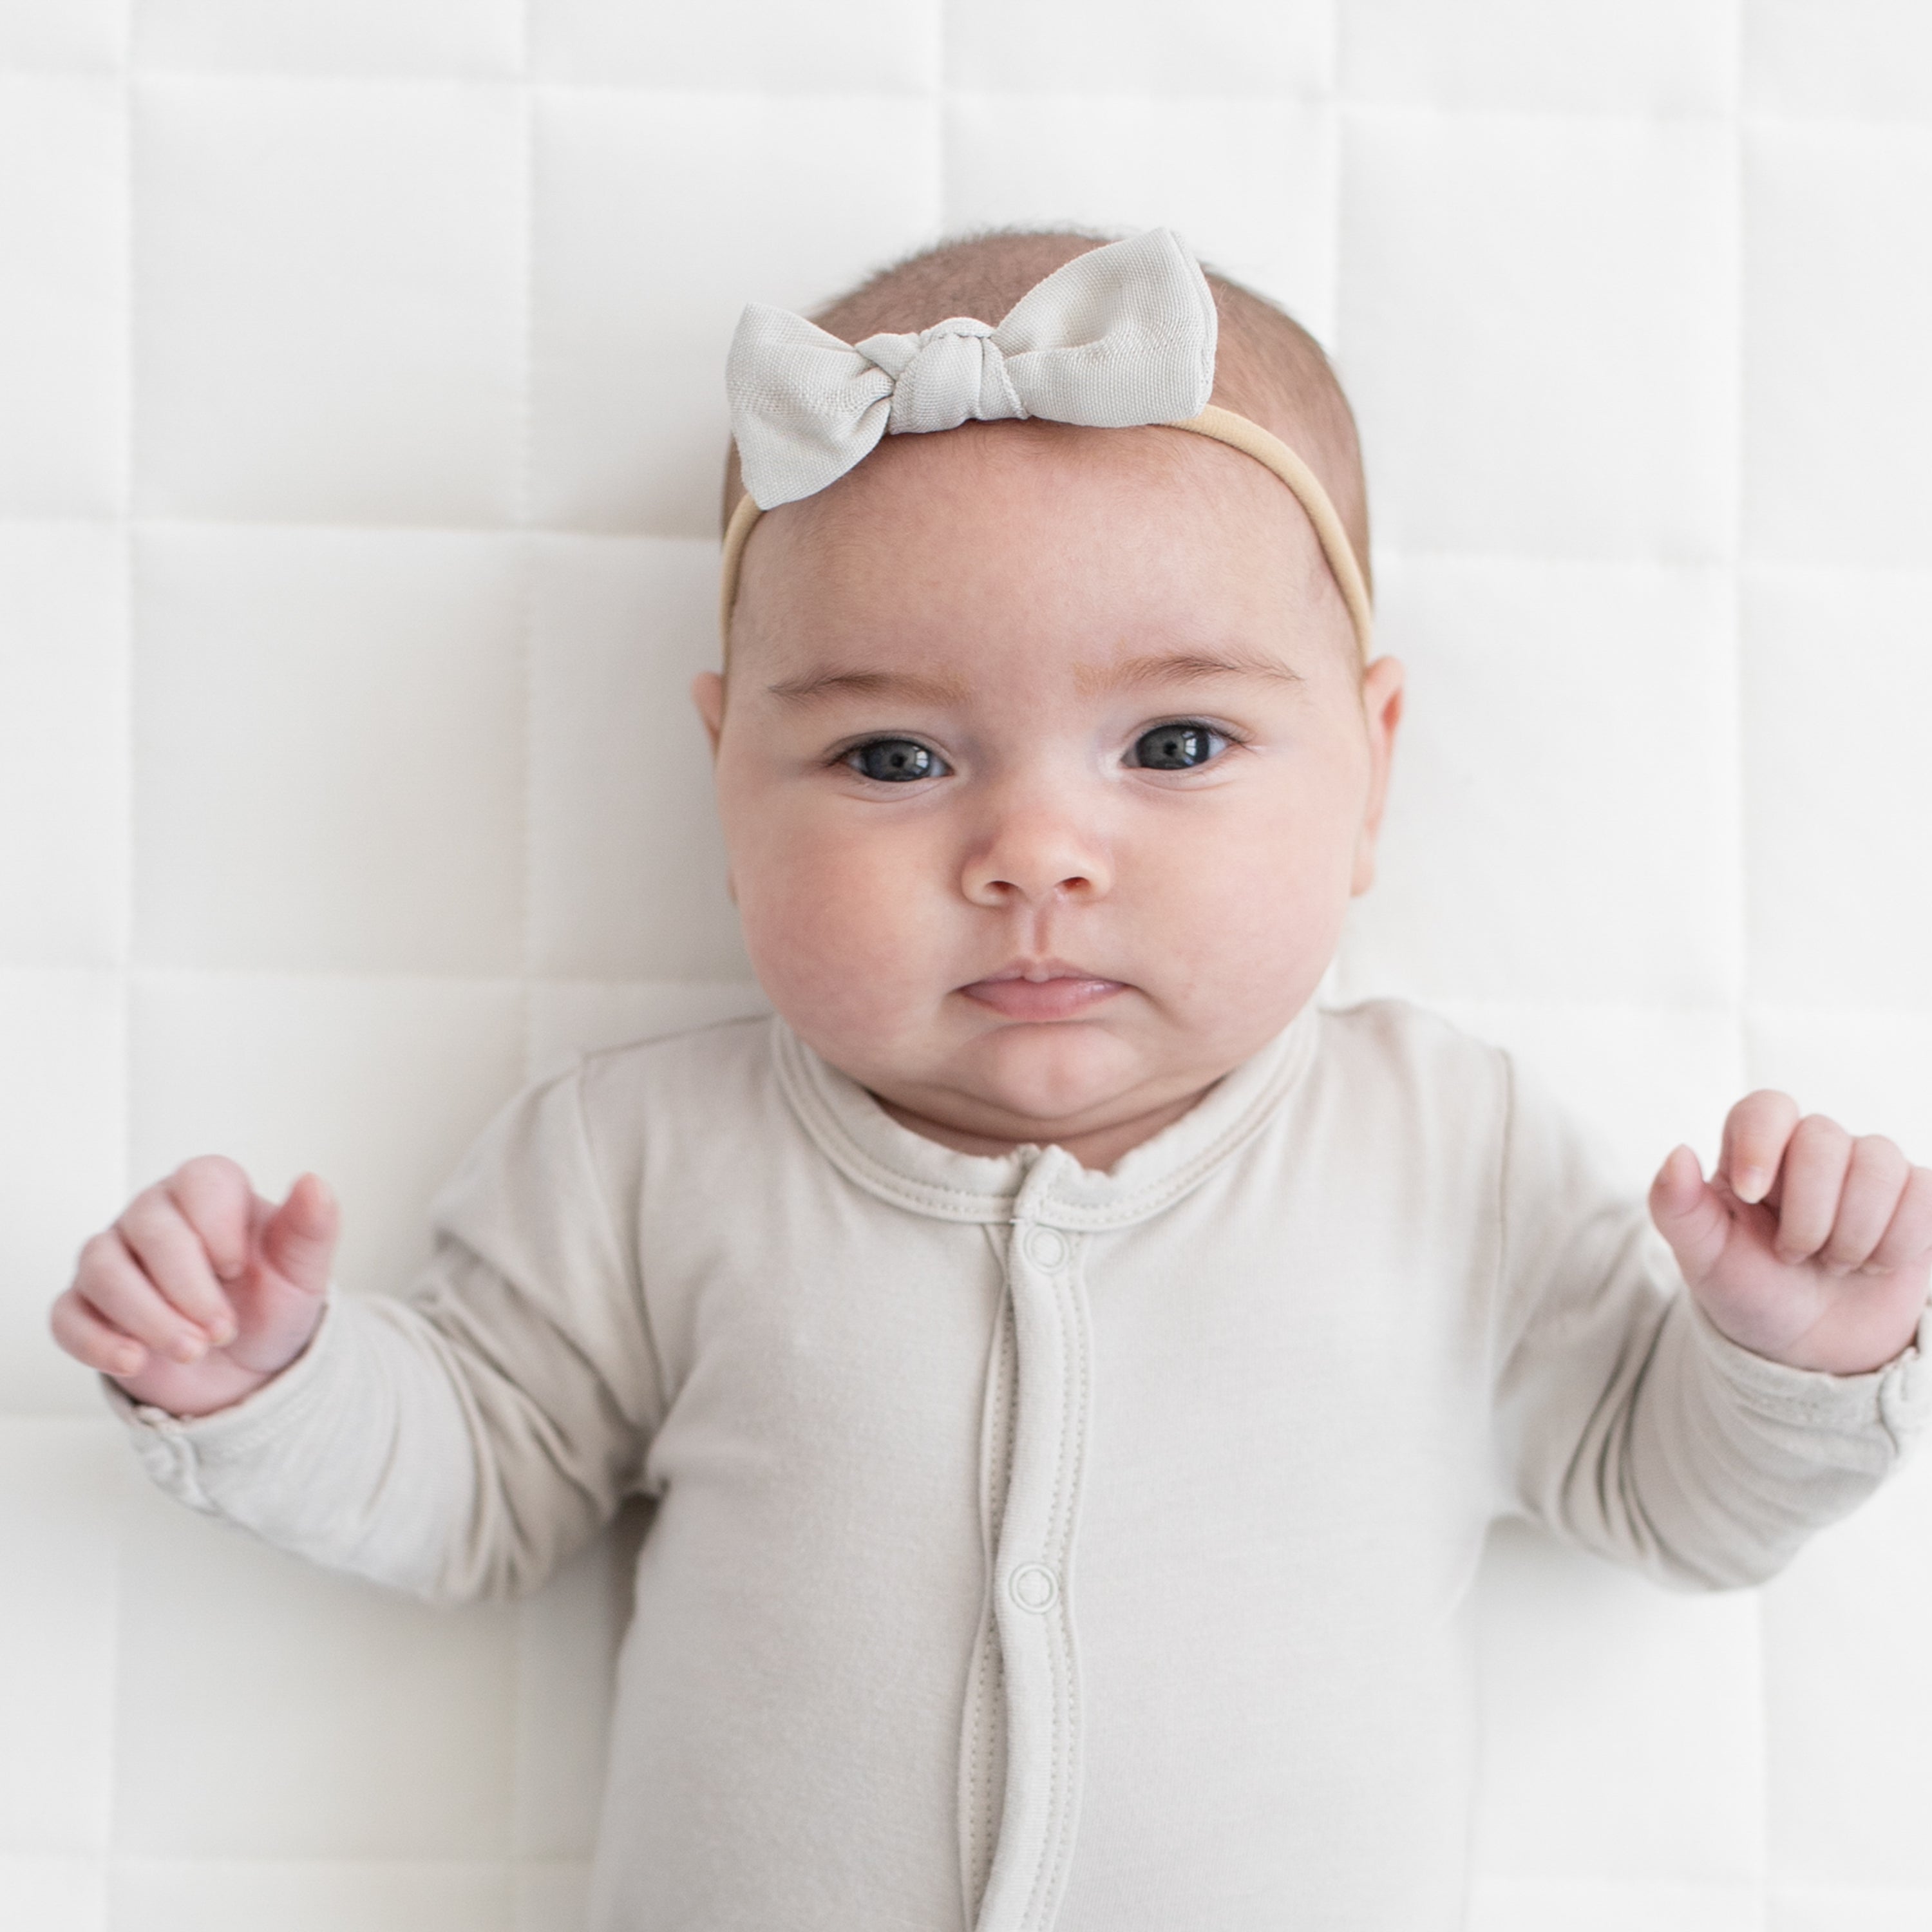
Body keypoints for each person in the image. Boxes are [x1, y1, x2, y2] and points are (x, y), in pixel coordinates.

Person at [48, 228, 1932, 1931]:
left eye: (1176, 741)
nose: (1036, 850)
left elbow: (1665, 1495)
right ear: (727, 780)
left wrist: (1783, 1357)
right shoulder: (647, 1156)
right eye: (890, 760)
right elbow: (485, 1474)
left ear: (1371, 767)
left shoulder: (1452, 1151)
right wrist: (277, 1387)